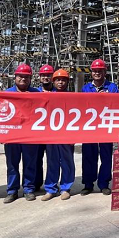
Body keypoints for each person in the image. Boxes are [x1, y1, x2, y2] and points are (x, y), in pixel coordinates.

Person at [81, 58, 118, 196]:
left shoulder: (112, 87)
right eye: (95, 71)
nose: (97, 73)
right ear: (91, 72)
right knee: (88, 155)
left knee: (106, 155)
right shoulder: (85, 88)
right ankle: (88, 184)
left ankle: (104, 184)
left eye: (100, 71)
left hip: (105, 125)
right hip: (89, 127)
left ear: (105, 72)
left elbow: (116, 103)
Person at [4, 64, 40, 203]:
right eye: (20, 76)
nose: (23, 79)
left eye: (26, 77)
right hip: (12, 135)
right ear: (15, 77)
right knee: (12, 164)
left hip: (30, 135)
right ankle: (12, 191)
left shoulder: (37, 94)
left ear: (30, 78)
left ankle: (28, 189)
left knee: (30, 163)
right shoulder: (7, 94)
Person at [42, 69, 76, 201]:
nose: (60, 82)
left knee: (67, 161)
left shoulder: (73, 97)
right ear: (53, 81)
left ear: (67, 82)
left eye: (63, 80)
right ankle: (50, 189)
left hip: (67, 134)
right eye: (58, 80)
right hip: (52, 134)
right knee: (52, 161)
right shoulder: (47, 96)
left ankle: (66, 188)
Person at [34, 64, 54, 192]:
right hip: (37, 132)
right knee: (36, 159)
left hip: (53, 132)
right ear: (39, 77)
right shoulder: (34, 93)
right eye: (43, 75)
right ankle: (36, 184)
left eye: (48, 75)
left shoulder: (59, 93)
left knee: (52, 160)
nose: (46, 77)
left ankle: (51, 185)